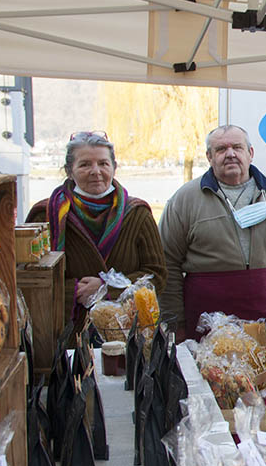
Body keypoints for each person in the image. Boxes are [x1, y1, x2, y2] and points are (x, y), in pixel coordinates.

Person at [159, 124, 266, 359]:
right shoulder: (184, 200)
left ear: (250, 153)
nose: (230, 154)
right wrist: (175, 321)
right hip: (208, 317)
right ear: (209, 157)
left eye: (237, 147)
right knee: (216, 386)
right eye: (220, 149)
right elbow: (167, 263)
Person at [27, 130, 166, 331]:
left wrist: (106, 288)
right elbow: (31, 281)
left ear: (114, 168)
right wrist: (74, 291)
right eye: (84, 164)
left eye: (103, 163)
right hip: (66, 331)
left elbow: (157, 275)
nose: (96, 171)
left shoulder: (137, 214)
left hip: (126, 329)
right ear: (69, 170)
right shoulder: (45, 215)